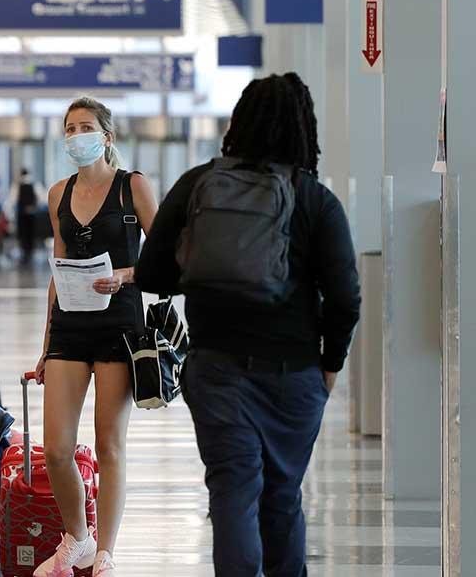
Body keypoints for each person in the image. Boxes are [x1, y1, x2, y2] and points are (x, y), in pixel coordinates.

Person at [135, 73, 361, 576]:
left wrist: (200, 266)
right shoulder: (314, 200)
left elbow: (152, 273)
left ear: (239, 122)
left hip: (216, 370)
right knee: (282, 497)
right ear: (305, 127)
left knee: (234, 493)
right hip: (294, 373)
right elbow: (345, 297)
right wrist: (329, 365)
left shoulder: (199, 184)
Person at [32, 98, 158, 577]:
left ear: (106, 135)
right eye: (69, 128)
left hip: (119, 326)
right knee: (56, 448)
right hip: (69, 325)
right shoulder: (58, 193)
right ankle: (77, 538)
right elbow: (58, 266)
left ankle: (105, 552)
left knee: (109, 446)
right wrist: (45, 345)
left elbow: (165, 256)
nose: (76, 135)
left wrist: (125, 275)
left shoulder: (133, 187)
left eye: (85, 127)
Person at [7, 168, 46, 264]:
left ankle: (24, 251)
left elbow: (12, 200)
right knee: (31, 233)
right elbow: (42, 199)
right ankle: (31, 251)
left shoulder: (16, 185)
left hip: (21, 213)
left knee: (23, 233)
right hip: (32, 213)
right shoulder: (35, 184)